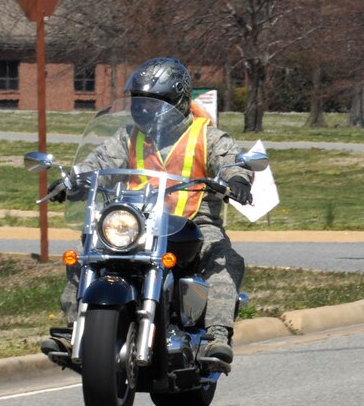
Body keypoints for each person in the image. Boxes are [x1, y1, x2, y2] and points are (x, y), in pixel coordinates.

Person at [40, 57, 254, 364]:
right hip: (137, 224)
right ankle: (74, 330)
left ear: (177, 101)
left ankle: (216, 336)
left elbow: (230, 159)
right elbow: (98, 162)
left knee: (225, 259)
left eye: (153, 103)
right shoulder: (129, 136)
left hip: (192, 224)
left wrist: (236, 178)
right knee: (85, 252)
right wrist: (72, 179)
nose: (143, 109)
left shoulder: (206, 136)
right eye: (139, 102)